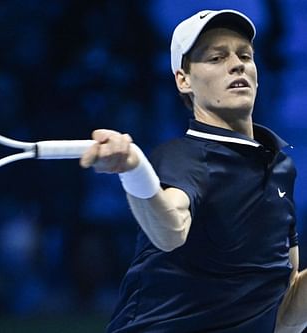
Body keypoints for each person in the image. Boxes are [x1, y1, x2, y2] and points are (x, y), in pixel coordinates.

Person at [80, 9, 307, 333]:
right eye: (216, 58)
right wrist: (131, 170)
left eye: (245, 55)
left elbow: (285, 316)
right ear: (183, 80)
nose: (237, 64)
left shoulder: (281, 167)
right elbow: (170, 230)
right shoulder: (184, 157)